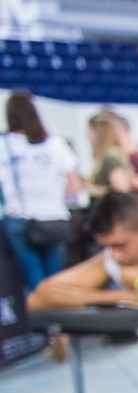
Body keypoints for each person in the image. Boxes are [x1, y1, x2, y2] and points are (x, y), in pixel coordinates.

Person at [0, 90, 83, 291]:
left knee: (32, 278)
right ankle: (53, 308)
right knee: (56, 278)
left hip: (20, 218)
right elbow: (74, 185)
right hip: (54, 217)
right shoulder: (56, 144)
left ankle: (39, 307)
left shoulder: (4, 145)